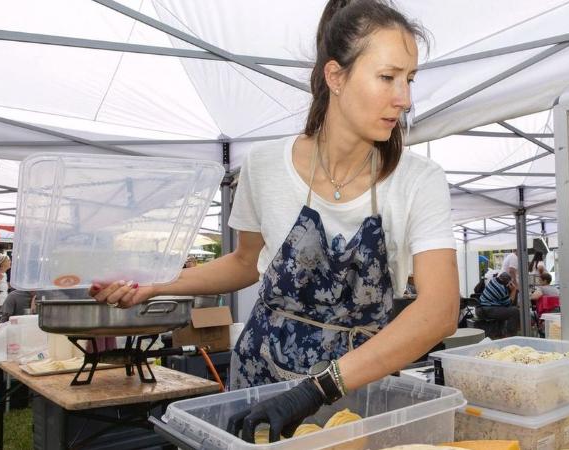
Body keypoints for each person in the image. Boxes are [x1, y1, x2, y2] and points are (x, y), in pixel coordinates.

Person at [90, 1, 458, 443]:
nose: (405, 98)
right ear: (335, 76)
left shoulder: (418, 180)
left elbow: (439, 311)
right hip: (261, 377)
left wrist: (319, 386)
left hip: (358, 387)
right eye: (387, 77)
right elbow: (246, 262)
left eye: (409, 79)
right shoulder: (265, 165)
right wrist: (159, 284)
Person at [476, 272, 519, 336]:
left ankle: (500, 333)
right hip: (486, 310)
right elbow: (509, 304)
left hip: (480, 308)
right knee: (514, 311)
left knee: (504, 310)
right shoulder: (501, 289)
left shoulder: (493, 280)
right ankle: (510, 335)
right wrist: (514, 290)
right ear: (507, 282)